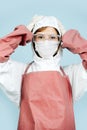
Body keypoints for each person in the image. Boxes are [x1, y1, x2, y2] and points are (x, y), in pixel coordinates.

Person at [0, 15, 87, 130]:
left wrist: (70, 39)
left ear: (60, 41)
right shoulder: (19, 72)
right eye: (40, 37)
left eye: (52, 37)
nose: (46, 41)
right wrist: (22, 34)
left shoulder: (71, 74)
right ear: (33, 40)